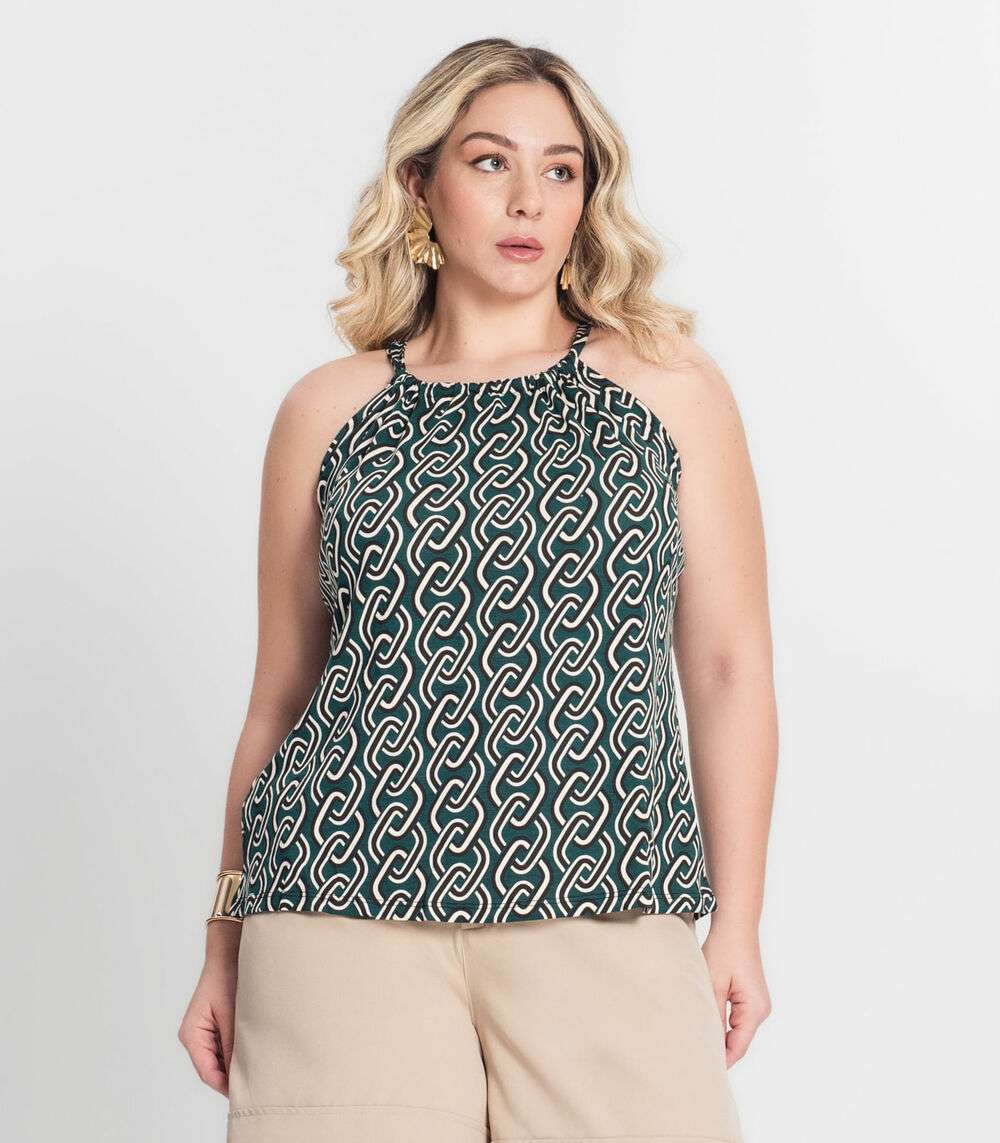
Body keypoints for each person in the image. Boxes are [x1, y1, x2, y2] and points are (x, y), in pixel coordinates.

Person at [178, 36, 777, 1143]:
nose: (527, 199)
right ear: (421, 185)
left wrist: (735, 921)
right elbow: (280, 696)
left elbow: (729, 668)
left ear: (588, 198)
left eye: (561, 170)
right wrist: (223, 939)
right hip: (335, 908)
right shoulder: (329, 408)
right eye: (490, 161)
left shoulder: (667, 388)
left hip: (603, 899)